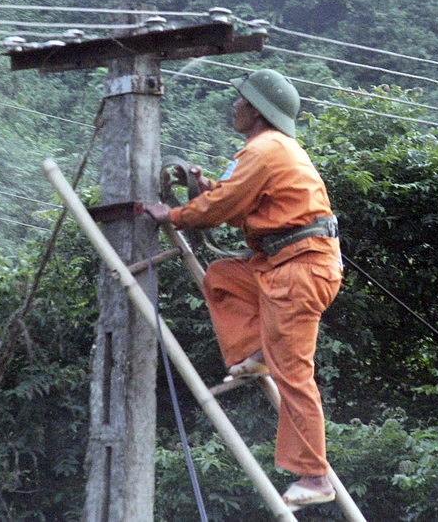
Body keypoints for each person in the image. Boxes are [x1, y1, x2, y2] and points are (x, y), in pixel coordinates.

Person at [145, 68, 343, 511]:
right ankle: (254, 357)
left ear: (256, 110)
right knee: (222, 276)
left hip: (300, 270)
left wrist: (173, 215)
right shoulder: (271, 149)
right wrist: (206, 189)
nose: (233, 106)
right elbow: (237, 199)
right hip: (281, 265)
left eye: (240, 101)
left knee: (294, 374)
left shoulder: (265, 148)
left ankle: (314, 476)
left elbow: (223, 208)